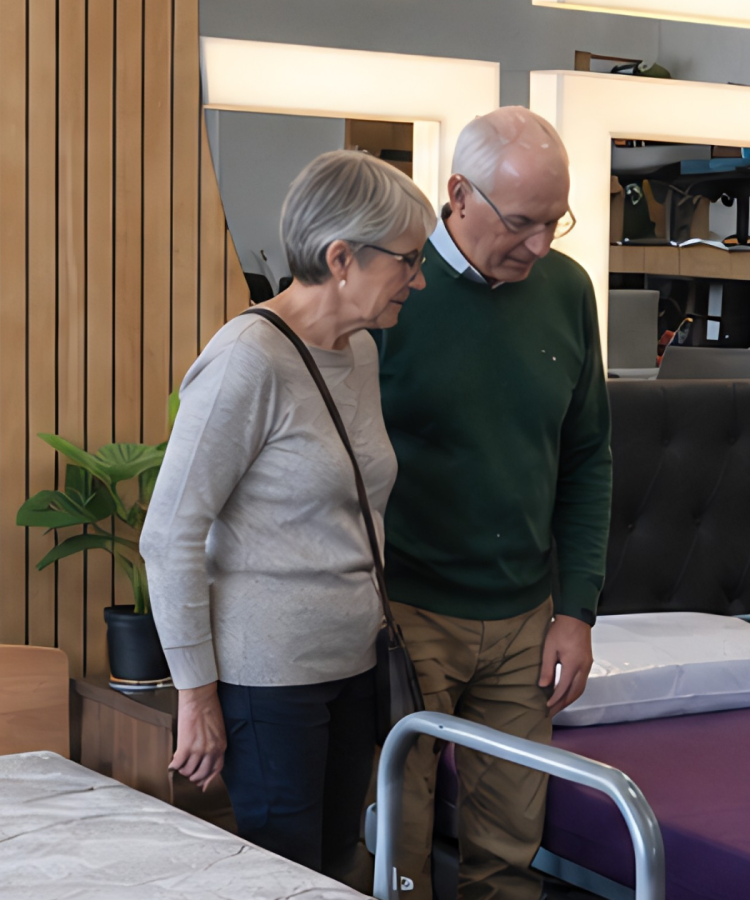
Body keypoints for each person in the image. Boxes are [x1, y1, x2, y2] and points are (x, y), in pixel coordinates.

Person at [144, 149, 434, 885]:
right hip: (267, 680)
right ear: (341, 258)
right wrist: (196, 693)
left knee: (337, 867)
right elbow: (170, 534)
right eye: (408, 260)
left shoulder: (360, 352)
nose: (420, 279)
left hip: (356, 663)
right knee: (286, 875)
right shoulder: (246, 360)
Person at [374, 106, 610, 899]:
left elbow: (588, 456)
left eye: (555, 221)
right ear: (458, 195)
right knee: (395, 857)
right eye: (521, 222)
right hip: (406, 612)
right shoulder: (392, 291)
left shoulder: (568, 290)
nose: (540, 245)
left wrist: (577, 610)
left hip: (526, 621)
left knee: (509, 863)